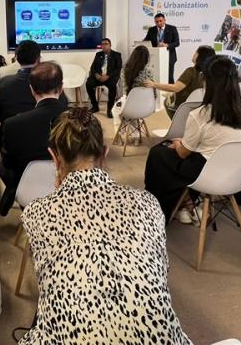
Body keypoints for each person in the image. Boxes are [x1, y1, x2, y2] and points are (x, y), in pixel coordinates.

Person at [20, 108, 191, 344]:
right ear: (105, 153)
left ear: (54, 157)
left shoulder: (35, 213)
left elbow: (50, 278)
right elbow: (161, 270)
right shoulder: (148, 203)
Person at [144, 57, 241, 222]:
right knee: (184, 155)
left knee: (159, 154)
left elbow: (183, 153)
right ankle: (187, 204)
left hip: (210, 174)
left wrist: (178, 142)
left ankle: (164, 208)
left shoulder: (201, 114)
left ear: (207, 82)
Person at [0, 62, 67, 216]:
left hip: (29, 191)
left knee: (2, 167)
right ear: (62, 88)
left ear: (31, 89)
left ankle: (14, 192)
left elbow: (9, 163)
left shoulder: (13, 124)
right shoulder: (82, 121)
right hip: (70, 190)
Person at [0, 40, 67, 146]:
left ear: (16, 58)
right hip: (50, 139)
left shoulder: (2, 83)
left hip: (14, 139)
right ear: (38, 58)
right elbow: (62, 109)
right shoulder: (50, 81)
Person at [145, 45, 216, 120]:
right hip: (199, 108)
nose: (194, 53)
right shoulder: (209, 75)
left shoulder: (191, 71)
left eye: (196, 52)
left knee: (167, 102)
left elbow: (175, 88)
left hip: (183, 107)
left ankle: (177, 122)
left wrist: (153, 84)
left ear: (200, 56)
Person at [86, 38, 122, 118]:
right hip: (99, 77)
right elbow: (93, 67)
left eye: (106, 44)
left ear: (110, 45)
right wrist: (96, 75)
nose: (104, 46)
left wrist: (108, 76)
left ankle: (110, 109)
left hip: (110, 77)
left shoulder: (117, 55)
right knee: (89, 84)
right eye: (102, 44)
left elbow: (118, 69)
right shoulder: (98, 54)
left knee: (112, 86)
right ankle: (95, 106)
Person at [143, 13, 180, 82]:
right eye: (156, 22)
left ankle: (171, 89)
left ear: (164, 20)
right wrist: (142, 43)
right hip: (155, 57)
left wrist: (167, 45)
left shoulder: (172, 28)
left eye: (160, 21)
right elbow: (146, 41)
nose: (159, 23)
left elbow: (177, 43)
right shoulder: (151, 30)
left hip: (169, 57)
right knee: (156, 78)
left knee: (169, 78)